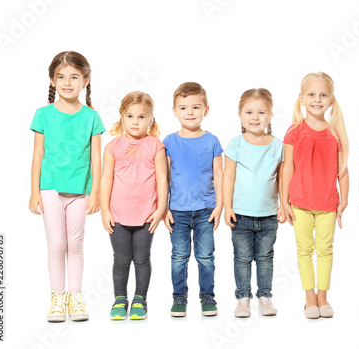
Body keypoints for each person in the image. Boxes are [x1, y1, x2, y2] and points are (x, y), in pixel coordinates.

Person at [29, 51, 105, 322]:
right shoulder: (43, 115)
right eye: (61, 77)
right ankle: (57, 297)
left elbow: (96, 156)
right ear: (52, 80)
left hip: (80, 190)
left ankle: (75, 296)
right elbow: (38, 154)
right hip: (49, 187)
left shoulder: (91, 117)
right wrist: (33, 191)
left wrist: (95, 190)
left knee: (75, 244)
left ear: (85, 80)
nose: (68, 82)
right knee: (57, 244)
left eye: (74, 77)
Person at [281, 72, 349, 319]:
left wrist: (344, 200)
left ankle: (323, 296)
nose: (317, 99)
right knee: (304, 250)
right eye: (311, 94)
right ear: (301, 98)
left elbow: (342, 171)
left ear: (331, 100)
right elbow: (286, 168)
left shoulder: (335, 134)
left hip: (327, 203)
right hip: (299, 202)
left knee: (325, 249)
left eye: (323, 95)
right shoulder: (294, 132)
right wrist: (284, 201)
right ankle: (309, 297)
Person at [100, 91, 168, 320]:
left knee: (141, 258)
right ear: (122, 118)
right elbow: (105, 179)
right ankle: (120, 298)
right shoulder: (113, 146)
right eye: (130, 116)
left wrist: (161, 209)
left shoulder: (156, 146)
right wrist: (105, 211)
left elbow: (162, 179)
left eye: (141, 117)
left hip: (146, 215)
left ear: (151, 120)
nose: (135, 122)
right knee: (120, 259)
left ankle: (140, 299)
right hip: (118, 215)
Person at [163, 82, 223, 317]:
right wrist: (163, 208)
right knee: (179, 256)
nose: (190, 113)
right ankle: (179, 297)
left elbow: (219, 174)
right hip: (177, 210)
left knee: (206, 256)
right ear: (175, 111)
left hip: (206, 209)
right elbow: (163, 178)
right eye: (184, 108)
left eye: (196, 107)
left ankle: (207, 296)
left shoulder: (212, 141)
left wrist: (220, 206)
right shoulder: (168, 142)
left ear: (206, 110)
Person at [223, 88, 284, 318]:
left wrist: (282, 204)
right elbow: (228, 176)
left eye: (261, 112)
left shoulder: (277, 145)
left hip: (268, 215)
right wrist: (228, 207)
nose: (255, 117)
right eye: (249, 112)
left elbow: (281, 179)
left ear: (270, 115)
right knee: (241, 258)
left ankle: (265, 297)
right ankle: (243, 297)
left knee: (265, 257)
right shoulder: (235, 144)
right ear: (240, 115)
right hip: (240, 214)